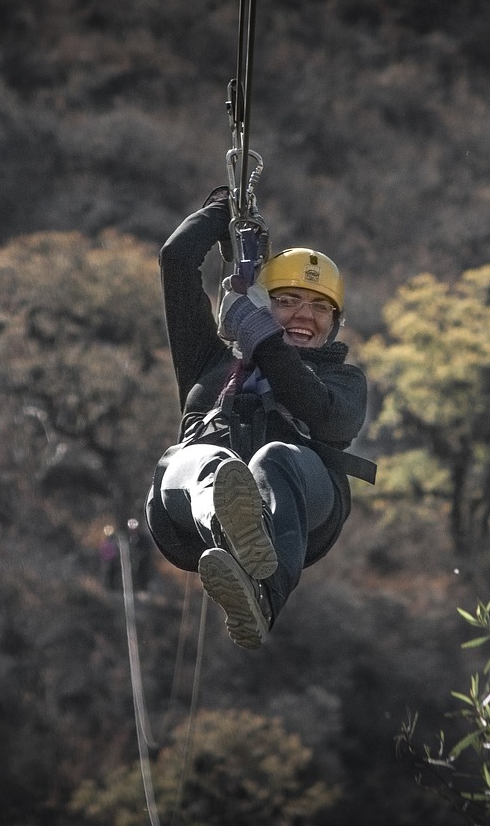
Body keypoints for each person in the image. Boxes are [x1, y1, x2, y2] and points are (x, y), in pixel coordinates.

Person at [145, 186, 374, 649]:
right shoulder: (209, 362)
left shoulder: (345, 381)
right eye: (288, 300)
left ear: (335, 324)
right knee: (199, 458)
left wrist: (259, 335)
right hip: (189, 516)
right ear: (263, 302)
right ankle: (229, 527)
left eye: (320, 307)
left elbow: (322, 414)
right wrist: (223, 210)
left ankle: (262, 594)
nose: (304, 316)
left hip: (298, 511)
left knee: (274, 457)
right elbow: (177, 260)